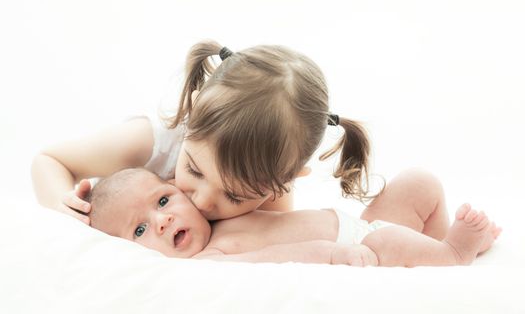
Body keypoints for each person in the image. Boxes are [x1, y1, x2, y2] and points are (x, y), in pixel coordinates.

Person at [31, 40, 446, 241]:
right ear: (193, 112)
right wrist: (62, 204)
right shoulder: (149, 143)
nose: (205, 200)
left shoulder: (272, 195)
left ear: (280, 182)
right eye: (194, 169)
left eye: (234, 195)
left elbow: (273, 236)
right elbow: (48, 160)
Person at [85, 168, 501, 267]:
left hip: (359, 223)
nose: (160, 221)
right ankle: (453, 254)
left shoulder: (215, 212)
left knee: (418, 184)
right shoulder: (209, 260)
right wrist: (331, 255)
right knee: (385, 244)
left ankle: (434, 242)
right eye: (139, 230)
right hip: (360, 249)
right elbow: (278, 258)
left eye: (163, 201)